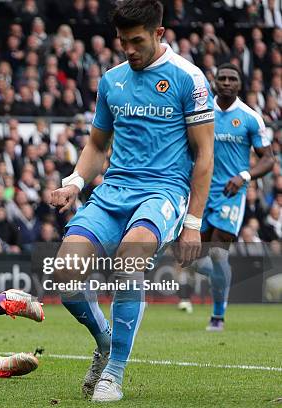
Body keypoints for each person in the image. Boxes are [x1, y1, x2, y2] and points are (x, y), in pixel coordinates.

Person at [49, 0, 214, 402]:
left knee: (129, 258)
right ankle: (105, 344)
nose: (128, 49)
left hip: (164, 192)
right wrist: (74, 181)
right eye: (122, 41)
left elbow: (205, 155)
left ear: (159, 34)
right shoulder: (112, 80)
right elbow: (97, 144)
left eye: (136, 41)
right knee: (63, 275)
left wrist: (193, 223)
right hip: (113, 190)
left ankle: (115, 373)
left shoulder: (188, 79)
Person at [177, 63, 274, 331]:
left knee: (218, 253)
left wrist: (244, 176)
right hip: (200, 191)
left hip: (230, 193)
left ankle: (218, 316)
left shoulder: (250, 117)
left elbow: (268, 158)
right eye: (223, 78)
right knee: (190, 258)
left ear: (240, 85)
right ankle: (222, 280)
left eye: (233, 78)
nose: (227, 82)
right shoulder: (202, 112)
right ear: (215, 82)